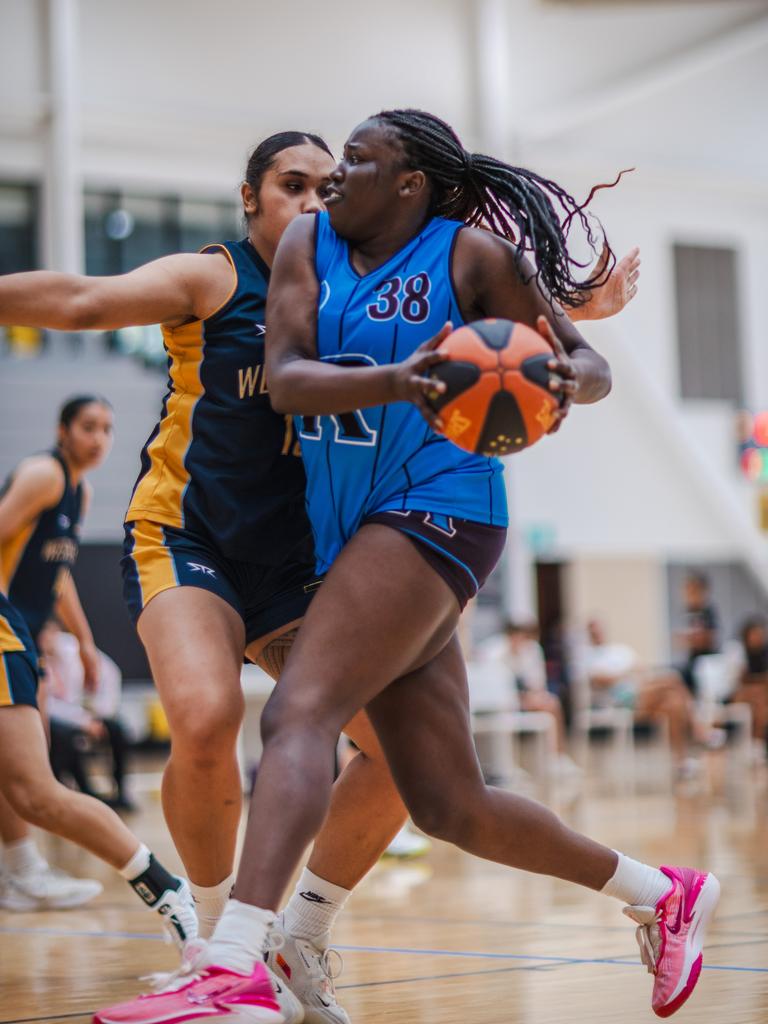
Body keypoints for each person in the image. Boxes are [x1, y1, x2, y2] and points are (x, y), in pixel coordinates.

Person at [0, 130, 641, 1024]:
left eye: (321, 184)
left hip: (302, 558)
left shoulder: (356, 282)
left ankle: (300, 934)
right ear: (249, 199)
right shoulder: (213, 277)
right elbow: (77, 295)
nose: (309, 200)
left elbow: (480, 332)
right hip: (189, 536)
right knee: (208, 712)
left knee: (394, 760)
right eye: (288, 184)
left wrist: (576, 325)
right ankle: (211, 937)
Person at [0, 397, 195, 942]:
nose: (100, 438)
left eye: (108, 429)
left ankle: (160, 887)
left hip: (17, 636)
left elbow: (56, 574)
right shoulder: (43, 474)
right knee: (22, 778)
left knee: (30, 783)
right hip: (11, 631)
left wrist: (84, 643)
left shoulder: (76, 491)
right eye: (89, 427)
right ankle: (21, 870)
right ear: (63, 431)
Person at [583, 618, 709, 773]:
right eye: (592, 630)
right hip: (620, 703)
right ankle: (699, 730)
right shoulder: (587, 656)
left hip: (640, 693)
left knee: (673, 703)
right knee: (672, 679)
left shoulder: (618, 650)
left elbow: (642, 670)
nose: (597, 633)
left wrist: (624, 675)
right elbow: (601, 680)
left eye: (598, 629)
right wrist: (626, 673)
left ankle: (680, 763)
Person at [40, 620, 134, 811]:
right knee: (63, 738)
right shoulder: (33, 658)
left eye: (48, 632)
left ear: (56, 631)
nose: (45, 639)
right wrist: (82, 720)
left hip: (90, 712)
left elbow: (110, 674)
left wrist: (98, 714)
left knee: (117, 730)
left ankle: (121, 792)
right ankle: (86, 794)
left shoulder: (73, 649)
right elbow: (47, 705)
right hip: (61, 720)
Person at [480, 619, 578, 775]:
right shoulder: (493, 651)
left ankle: (556, 757)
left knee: (551, 703)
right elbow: (491, 684)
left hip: (525, 699)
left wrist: (530, 697)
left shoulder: (531, 650)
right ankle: (505, 766)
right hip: (501, 702)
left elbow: (537, 684)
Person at [730, 616, 768, 759]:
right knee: (757, 697)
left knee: (760, 700)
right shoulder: (738, 652)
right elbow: (739, 680)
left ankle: (756, 746)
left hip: (761, 697)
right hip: (741, 695)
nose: (758, 638)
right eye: (754, 634)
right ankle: (756, 746)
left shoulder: (765, 653)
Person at [677, 571, 720, 693]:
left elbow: (708, 638)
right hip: (693, 661)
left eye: (693, 591)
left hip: (707, 664)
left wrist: (693, 638)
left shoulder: (707, 612)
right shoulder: (688, 611)